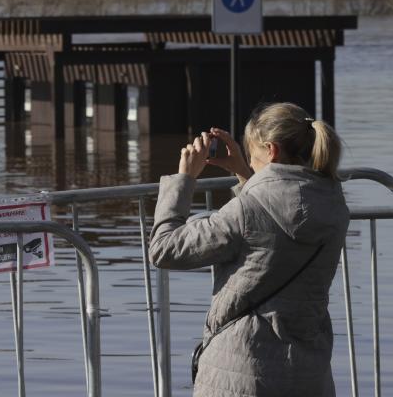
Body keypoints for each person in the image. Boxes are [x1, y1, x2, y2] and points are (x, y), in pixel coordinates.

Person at [149, 102, 350, 396]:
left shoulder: (246, 211)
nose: (251, 162)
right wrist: (244, 174)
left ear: (271, 150)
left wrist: (185, 179)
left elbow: (165, 249)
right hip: (308, 372)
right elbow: (275, 218)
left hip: (242, 370)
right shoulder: (334, 205)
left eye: (252, 153)